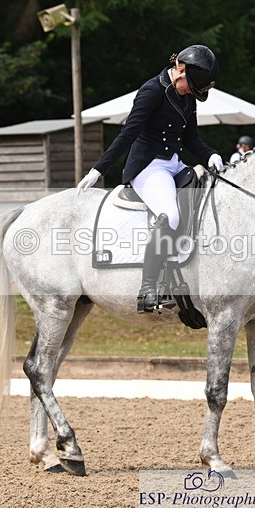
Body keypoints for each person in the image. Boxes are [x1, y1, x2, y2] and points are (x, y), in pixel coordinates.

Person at [76, 45, 223, 313]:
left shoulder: (188, 97)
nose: (190, 92)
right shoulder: (152, 91)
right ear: (179, 68)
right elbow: (128, 133)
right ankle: (148, 289)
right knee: (171, 215)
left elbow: (191, 137)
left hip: (174, 164)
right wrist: (98, 170)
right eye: (189, 85)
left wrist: (211, 154)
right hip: (148, 167)